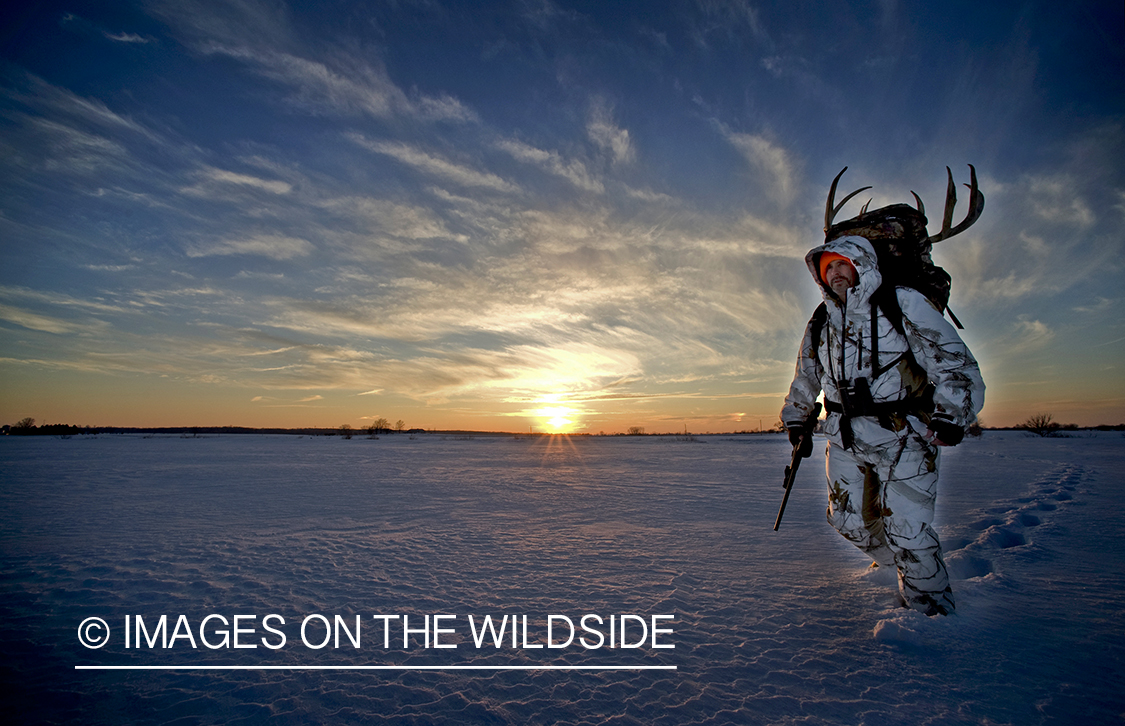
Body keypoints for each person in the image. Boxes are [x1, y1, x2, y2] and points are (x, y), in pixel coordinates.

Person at [781, 233, 984, 616]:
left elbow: (954, 363)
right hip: (843, 436)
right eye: (828, 268)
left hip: (904, 434)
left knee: (908, 529)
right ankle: (905, 567)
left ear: (862, 264)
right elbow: (805, 376)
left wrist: (952, 415)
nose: (836, 273)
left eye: (843, 263)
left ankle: (932, 615)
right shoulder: (821, 321)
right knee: (847, 521)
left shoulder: (901, 302)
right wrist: (797, 419)